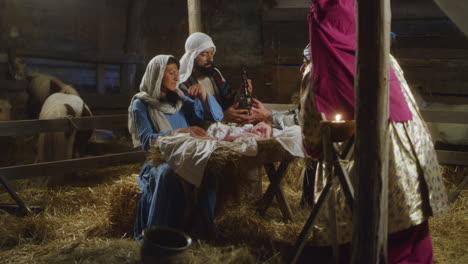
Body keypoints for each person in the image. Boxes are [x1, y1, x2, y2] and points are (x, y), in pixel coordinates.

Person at [300, 0, 448, 263]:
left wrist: (312, 147)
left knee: (385, 240)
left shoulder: (320, 71)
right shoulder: (384, 58)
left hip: (379, 156)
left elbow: (312, 130)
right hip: (412, 152)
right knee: (413, 232)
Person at [128, 55, 224, 241]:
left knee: (209, 169)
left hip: (184, 155)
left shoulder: (178, 100)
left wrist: (204, 95)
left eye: (177, 73)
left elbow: (215, 116)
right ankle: (160, 235)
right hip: (159, 160)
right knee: (167, 173)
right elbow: (148, 142)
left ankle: (201, 231)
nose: (176, 78)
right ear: (157, 75)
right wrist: (179, 132)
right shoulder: (141, 104)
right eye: (171, 73)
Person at [179, 32, 271, 124]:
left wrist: (240, 93)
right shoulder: (183, 83)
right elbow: (190, 118)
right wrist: (223, 117)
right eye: (204, 54)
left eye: (211, 53)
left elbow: (228, 101)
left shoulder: (215, 74)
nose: (210, 59)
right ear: (192, 56)